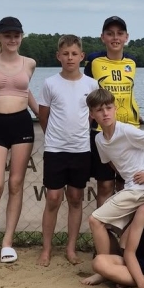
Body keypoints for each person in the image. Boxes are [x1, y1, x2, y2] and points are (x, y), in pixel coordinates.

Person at [81, 88, 144, 285]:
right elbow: (112, 163)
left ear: (115, 108)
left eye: (108, 108)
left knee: (95, 220)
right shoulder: (99, 139)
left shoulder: (126, 130)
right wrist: (127, 178)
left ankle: (105, 269)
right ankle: (117, 267)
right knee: (111, 230)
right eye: (99, 110)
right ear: (92, 114)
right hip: (131, 188)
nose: (105, 113)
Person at [0, 16, 39, 263]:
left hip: (22, 124)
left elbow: (23, 91)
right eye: (7, 35)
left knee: (15, 184)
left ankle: (7, 243)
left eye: (16, 35)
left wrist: (43, 115)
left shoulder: (30, 63)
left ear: (21, 37)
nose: (12, 39)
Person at [37, 35, 98, 266]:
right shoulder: (50, 83)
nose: (70, 58)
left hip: (81, 149)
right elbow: (44, 116)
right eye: (65, 54)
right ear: (58, 56)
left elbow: (92, 116)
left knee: (75, 198)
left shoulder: (91, 85)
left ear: (82, 56)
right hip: (55, 149)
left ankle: (71, 248)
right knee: (53, 198)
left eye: (74, 54)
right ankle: (46, 249)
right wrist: (54, 136)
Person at [84, 16, 140, 207]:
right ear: (103, 37)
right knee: (105, 185)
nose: (115, 37)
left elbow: (129, 91)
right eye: (110, 33)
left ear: (126, 37)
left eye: (119, 33)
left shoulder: (132, 61)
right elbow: (87, 94)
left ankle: (125, 226)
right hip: (103, 131)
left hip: (129, 129)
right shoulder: (94, 61)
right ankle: (103, 225)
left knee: (127, 185)